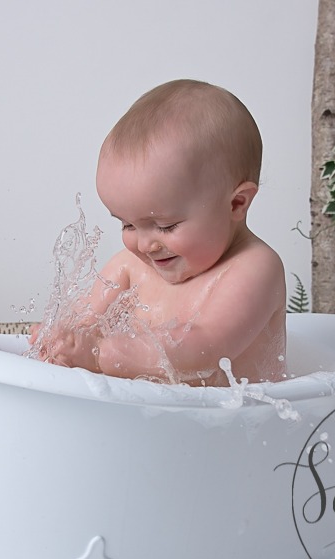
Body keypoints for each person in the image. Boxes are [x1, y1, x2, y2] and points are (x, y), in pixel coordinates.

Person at [31, 79, 286, 386]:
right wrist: (61, 344)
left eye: (166, 226)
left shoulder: (254, 268)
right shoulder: (129, 267)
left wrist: (98, 354)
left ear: (236, 203)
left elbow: (204, 349)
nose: (144, 244)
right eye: (127, 225)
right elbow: (83, 325)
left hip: (239, 427)